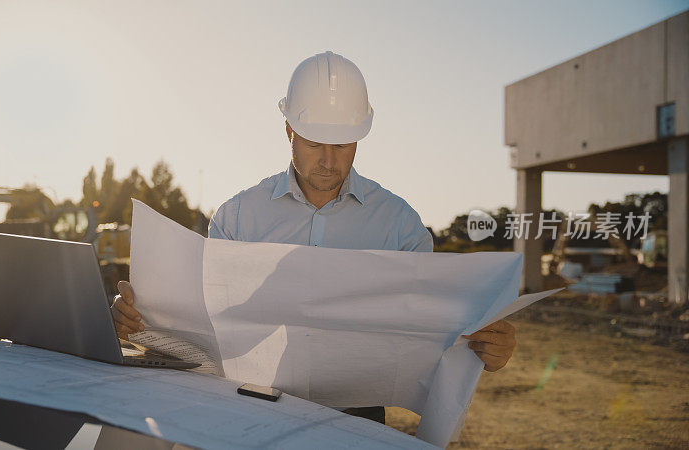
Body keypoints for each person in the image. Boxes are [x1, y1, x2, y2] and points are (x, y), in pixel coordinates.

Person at [111, 51, 516, 425]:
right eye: (313, 143)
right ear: (289, 130)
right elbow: (202, 327)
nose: (328, 160)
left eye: (342, 145)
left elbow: (432, 339)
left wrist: (484, 352)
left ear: (359, 137)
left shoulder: (400, 226)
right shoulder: (238, 217)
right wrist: (139, 321)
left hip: (356, 422)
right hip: (251, 410)